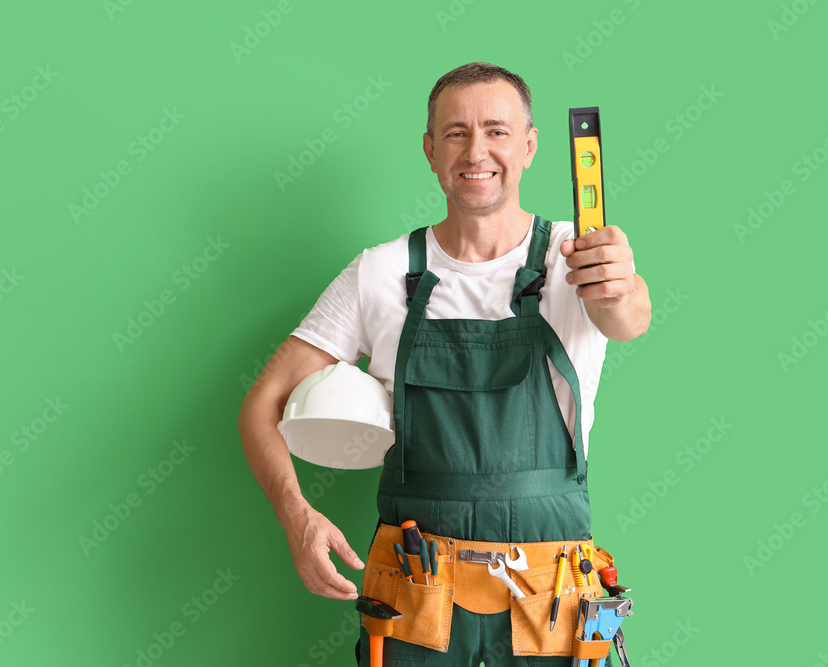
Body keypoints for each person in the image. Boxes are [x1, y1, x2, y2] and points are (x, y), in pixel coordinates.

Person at [239, 62, 651, 666]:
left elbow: (628, 316)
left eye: (497, 130)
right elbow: (263, 404)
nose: (476, 149)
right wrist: (296, 518)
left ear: (531, 145)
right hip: (414, 594)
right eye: (456, 132)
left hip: (549, 596)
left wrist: (616, 287)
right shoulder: (377, 273)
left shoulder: (579, 255)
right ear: (431, 150)